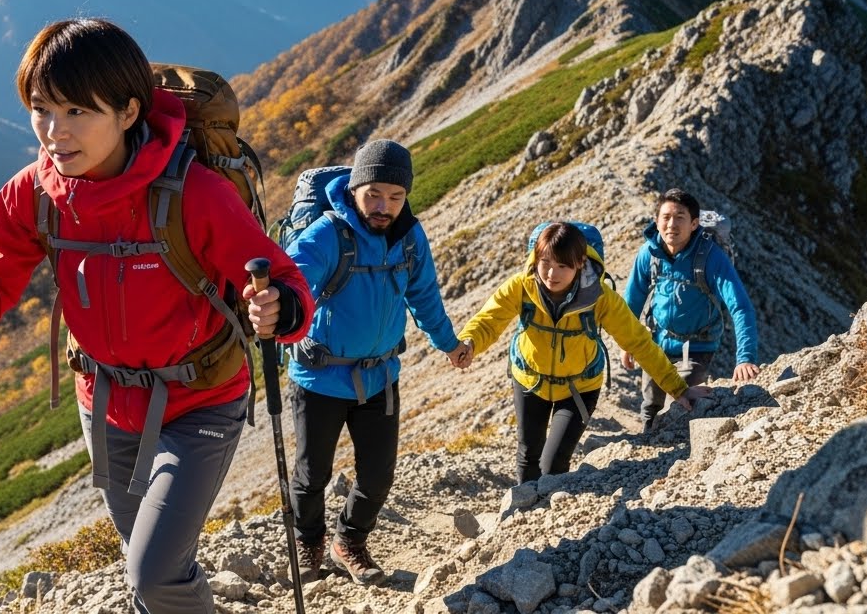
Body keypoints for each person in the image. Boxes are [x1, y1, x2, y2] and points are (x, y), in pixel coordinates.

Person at [0, 18, 313, 614]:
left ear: (128, 112)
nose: (54, 131)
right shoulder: (34, 194)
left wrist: (281, 308)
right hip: (105, 404)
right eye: (41, 110)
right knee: (147, 565)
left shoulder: (193, 193)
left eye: (77, 112)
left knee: (154, 575)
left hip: (201, 399)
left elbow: (283, 279)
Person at [282, 139, 471, 586]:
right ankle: (308, 541)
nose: (384, 206)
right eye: (374, 195)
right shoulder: (329, 232)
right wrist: (277, 303)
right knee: (312, 474)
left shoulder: (410, 238)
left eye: (395, 196)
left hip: (380, 377)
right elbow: (295, 276)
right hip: (319, 378)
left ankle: (348, 541)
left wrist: (449, 344)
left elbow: (424, 296)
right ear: (354, 189)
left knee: (379, 475)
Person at [458, 222, 708, 484]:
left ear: (579, 263)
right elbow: (489, 320)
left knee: (554, 463)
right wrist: (469, 343)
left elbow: (639, 343)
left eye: (562, 266)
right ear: (535, 257)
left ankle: (551, 505)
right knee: (529, 454)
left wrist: (679, 388)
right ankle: (525, 505)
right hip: (530, 381)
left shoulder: (599, 297)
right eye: (545, 262)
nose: (551, 273)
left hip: (579, 388)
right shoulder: (521, 287)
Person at [622, 188, 759, 435]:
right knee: (650, 403)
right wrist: (627, 343)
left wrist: (745, 358)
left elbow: (740, 306)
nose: (671, 224)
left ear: (694, 224)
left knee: (683, 397)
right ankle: (648, 440)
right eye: (666, 217)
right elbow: (632, 300)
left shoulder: (711, 257)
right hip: (656, 342)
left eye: (680, 217)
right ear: (656, 221)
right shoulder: (649, 253)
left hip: (697, 345)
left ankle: (679, 443)